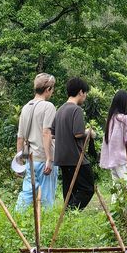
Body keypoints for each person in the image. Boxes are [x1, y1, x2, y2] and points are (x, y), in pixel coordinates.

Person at [15, 73, 58, 211]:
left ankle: (17, 218)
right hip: (44, 157)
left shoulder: (26, 107)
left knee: (27, 193)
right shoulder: (48, 106)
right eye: (53, 88)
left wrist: (19, 161)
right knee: (46, 197)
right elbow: (46, 133)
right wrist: (49, 159)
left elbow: (20, 137)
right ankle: (45, 225)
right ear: (48, 89)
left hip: (30, 158)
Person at [53, 77, 95, 210]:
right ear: (81, 92)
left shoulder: (60, 110)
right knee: (88, 188)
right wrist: (89, 132)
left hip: (62, 158)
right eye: (85, 93)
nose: (85, 96)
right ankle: (70, 212)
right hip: (76, 158)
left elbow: (53, 133)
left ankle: (67, 219)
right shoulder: (76, 110)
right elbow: (78, 133)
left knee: (69, 191)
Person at [99, 90, 127, 187]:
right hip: (123, 160)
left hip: (113, 160)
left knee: (117, 190)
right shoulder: (125, 119)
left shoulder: (111, 118)